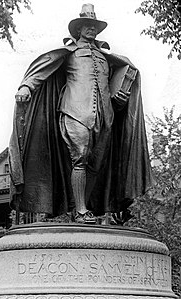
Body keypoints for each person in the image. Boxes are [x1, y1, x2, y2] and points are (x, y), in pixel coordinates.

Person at [9, 4, 152, 225]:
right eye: (87, 26)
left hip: (106, 118)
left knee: (96, 164)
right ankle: (81, 210)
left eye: (94, 26)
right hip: (74, 113)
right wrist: (27, 86)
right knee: (80, 158)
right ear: (78, 29)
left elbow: (115, 88)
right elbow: (43, 67)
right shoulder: (70, 53)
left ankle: (82, 207)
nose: (91, 29)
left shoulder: (107, 58)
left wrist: (121, 102)